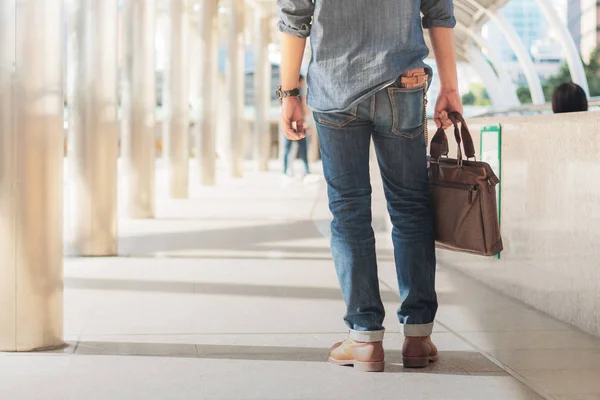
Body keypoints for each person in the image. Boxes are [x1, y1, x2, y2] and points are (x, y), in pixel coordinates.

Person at [277, 0, 462, 371]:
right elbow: (439, 13)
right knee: (410, 207)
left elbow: (295, 17)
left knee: (348, 211)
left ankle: (364, 339)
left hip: (335, 85)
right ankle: (418, 336)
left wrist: (289, 94)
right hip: (403, 82)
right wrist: (451, 88)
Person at [282, 75, 310, 178]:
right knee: (287, 149)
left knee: (303, 149)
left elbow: (304, 110)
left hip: (300, 125)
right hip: (291, 125)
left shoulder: (302, 94)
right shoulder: (289, 95)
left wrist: (306, 124)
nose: (302, 85)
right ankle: (285, 171)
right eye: (301, 82)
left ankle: (306, 170)